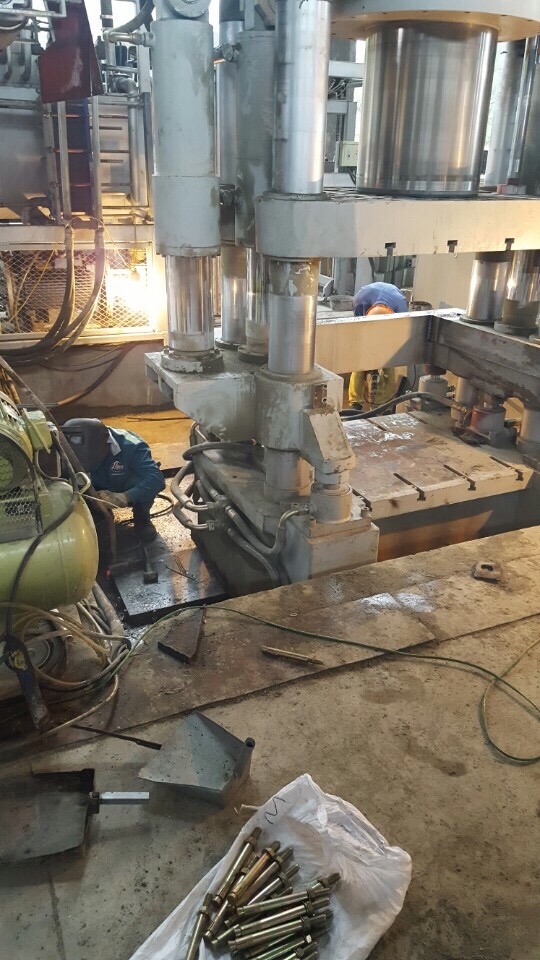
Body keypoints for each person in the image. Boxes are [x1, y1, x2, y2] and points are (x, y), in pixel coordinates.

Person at [62, 418, 165, 542]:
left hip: (122, 484)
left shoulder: (131, 445)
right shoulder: (65, 445)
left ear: (107, 442)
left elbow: (156, 479)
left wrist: (123, 497)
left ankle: (142, 517)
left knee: (145, 481)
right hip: (92, 487)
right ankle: (97, 513)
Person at [349, 282, 408, 411]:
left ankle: (383, 403)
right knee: (358, 363)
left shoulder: (400, 310)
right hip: (367, 325)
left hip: (388, 329)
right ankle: (355, 402)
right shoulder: (360, 301)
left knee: (389, 362)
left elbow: (399, 333)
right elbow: (358, 328)